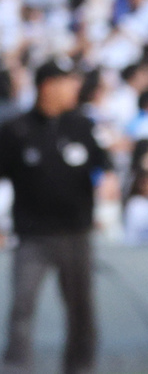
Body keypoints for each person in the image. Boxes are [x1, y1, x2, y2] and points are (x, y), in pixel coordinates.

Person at [0, 59, 112, 374]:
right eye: (68, 81)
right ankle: (16, 368)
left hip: (76, 234)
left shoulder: (82, 126)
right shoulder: (16, 130)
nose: (75, 88)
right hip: (33, 237)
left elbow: (104, 168)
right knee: (22, 307)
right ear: (48, 85)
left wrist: (105, 195)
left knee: (82, 311)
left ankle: (80, 368)